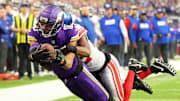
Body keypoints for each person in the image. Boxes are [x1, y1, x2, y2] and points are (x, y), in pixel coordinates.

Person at [61, 11, 176, 101]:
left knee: (120, 99)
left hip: (105, 65)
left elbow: (83, 52)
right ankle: (152, 69)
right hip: (93, 70)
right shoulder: (62, 38)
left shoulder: (75, 35)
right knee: (115, 91)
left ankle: (133, 68)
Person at [28, 5, 109, 101]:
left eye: (48, 24)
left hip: (79, 72)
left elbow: (69, 64)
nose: (43, 27)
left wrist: (55, 57)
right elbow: (47, 66)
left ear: (57, 23)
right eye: (41, 23)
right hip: (64, 77)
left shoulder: (69, 31)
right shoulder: (35, 32)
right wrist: (36, 57)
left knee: (104, 98)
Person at [12, 2, 34, 79]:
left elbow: (35, 28)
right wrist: (20, 29)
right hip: (20, 40)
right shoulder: (16, 17)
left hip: (29, 41)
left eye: (26, 7)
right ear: (20, 8)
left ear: (28, 9)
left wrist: (27, 30)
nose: (24, 9)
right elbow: (13, 28)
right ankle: (21, 74)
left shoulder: (32, 17)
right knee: (21, 58)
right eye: (23, 7)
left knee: (29, 57)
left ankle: (29, 74)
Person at [0, 4, 12, 73]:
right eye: (1, 12)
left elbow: (10, 27)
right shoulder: (0, 21)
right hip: (2, 41)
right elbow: (5, 30)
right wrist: (8, 28)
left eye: (4, 12)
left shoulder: (7, 20)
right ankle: (1, 72)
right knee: (2, 57)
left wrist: (8, 28)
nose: (3, 13)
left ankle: (3, 70)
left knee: (4, 57)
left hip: (7, 41)